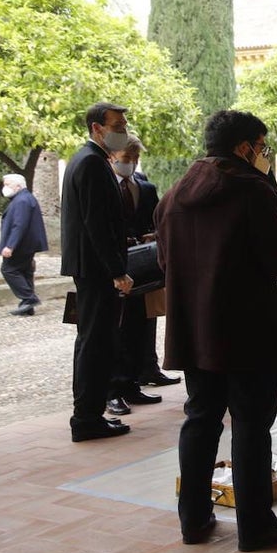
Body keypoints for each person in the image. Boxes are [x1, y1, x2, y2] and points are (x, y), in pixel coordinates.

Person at [155, 109, 277, 552]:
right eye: (260, 147)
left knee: (200, 419)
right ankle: (255, 527)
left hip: (195, 329)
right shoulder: (252, 191)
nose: (263, 154)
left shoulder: (172, 197)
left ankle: (194, 520)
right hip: (248, 330)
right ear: (243, 147)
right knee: (251, 425)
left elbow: (165, 262)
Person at [61, 102, 134, 443]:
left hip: (90, 267)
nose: (123, 131)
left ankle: (89, 414)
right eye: (117, 125)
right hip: (95, 269)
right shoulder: (91, 162)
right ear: (96, 128)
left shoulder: (88, 159)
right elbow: (97, 224)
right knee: (96, 343)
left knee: (93, 340)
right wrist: (117, 271)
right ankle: (87, 418)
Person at [105, 133, 165, 416]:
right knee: (115, 331)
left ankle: (133, 383)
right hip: (114, 268)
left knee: (139, 327)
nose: (131, 163)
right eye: (126, 158)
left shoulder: (146, 188)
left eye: (135, 158)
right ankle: (113, 390)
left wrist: (153, 235)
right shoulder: (104, 187)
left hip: (142, 268)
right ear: (112, 158)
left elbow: (157, 220)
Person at [0, 173, 48, 317]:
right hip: (26, 244)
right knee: (25, 271)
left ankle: (29, 299)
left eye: (8, 184)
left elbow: (19, 225)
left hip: (21, 245)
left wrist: (10, 245)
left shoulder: (22, 200)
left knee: (9, 270)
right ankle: (27, 307)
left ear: (18, 186)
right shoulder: (24, 198)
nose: (5, 188)